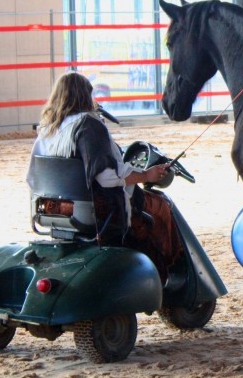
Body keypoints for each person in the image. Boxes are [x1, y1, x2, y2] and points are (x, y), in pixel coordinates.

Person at [26, 71, 181, 280]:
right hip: (98, 211)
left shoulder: (46, 130)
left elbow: (32, 178)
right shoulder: (88, 125)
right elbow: (107, 178)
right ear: (85, 96)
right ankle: (164, 276)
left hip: (52, 210)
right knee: (160, 207)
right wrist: (147, 175)